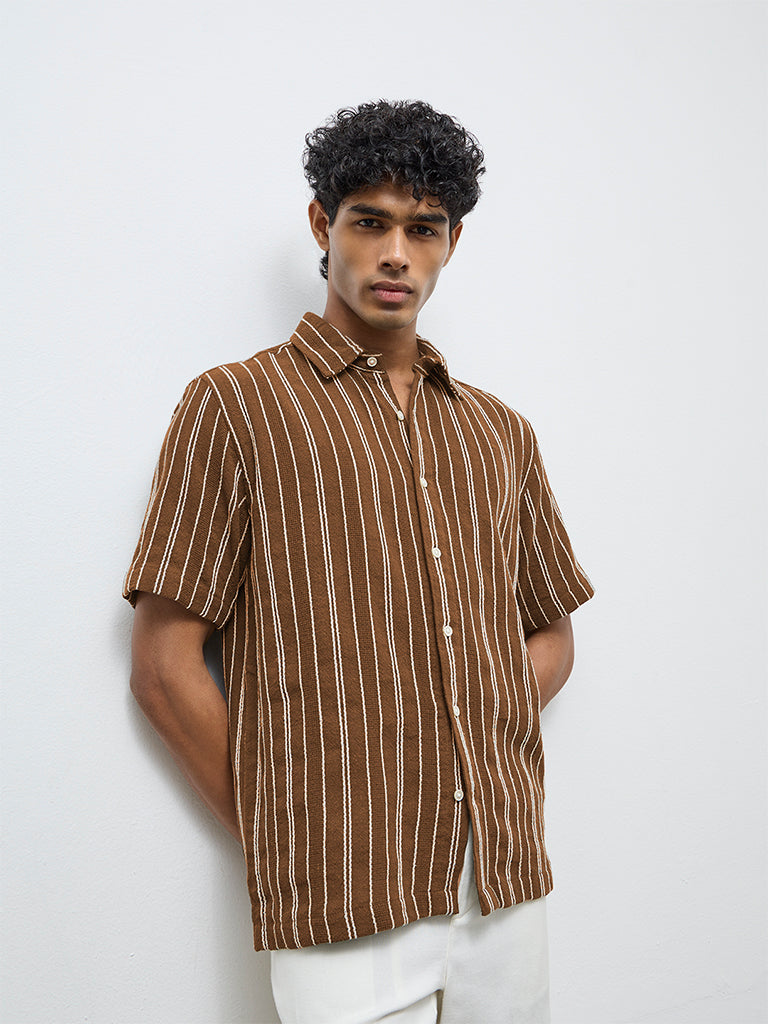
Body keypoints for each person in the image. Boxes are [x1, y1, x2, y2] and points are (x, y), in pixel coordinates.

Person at [124, 99, 594, 1024]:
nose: (396, 255)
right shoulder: (238, 407)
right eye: (370, 222)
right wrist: (293, 838)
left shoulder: (499, 432)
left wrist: (475, 719)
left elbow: (551, 633)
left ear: (452, 242)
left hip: (503, 883)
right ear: (322, 225)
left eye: (424, 229)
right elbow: (164, 666)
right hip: (343, 899)